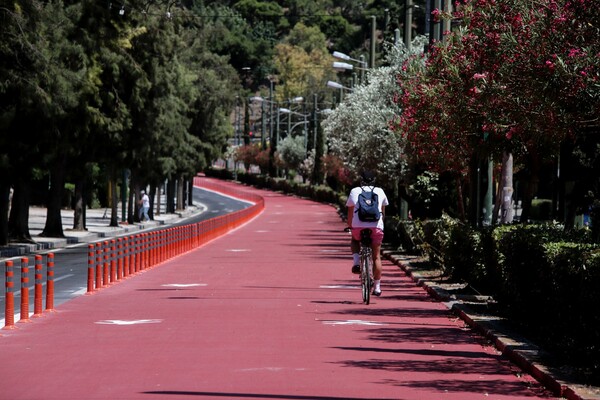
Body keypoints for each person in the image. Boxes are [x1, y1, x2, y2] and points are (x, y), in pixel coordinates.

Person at [346, 170, 389, 296]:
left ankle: (356, 262)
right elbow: (383, 211)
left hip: (358, 226)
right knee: (376, 256)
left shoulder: (354, 191)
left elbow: (350, 211)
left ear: (361, 180)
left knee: (354, 240)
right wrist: (381, 225)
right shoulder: (380, 191)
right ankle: (377, 287)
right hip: (376, 227)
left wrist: (350, 226)